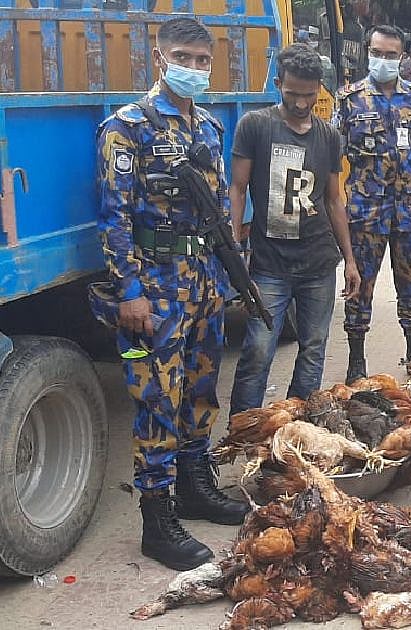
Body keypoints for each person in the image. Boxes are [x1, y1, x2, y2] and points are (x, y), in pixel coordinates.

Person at [94, 17, 249, 570]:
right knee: (157, 397)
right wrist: (129, 292)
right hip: (154, 285)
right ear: (160, 60)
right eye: (183, 57)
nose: (194, 68)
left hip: (203, 278)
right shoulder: (126, 127)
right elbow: (112, 219)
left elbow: (216, 206)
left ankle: (194, 487)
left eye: (203, 60)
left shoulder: (208, 126)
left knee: (201, 387)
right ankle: (156, 521)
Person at [228, 45, 360, 417]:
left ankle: (294, 423)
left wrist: (349, 260)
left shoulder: (328, 136)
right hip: (269, 264)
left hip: (318, 262)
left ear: (319, 87)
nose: (302, 102)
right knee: (257, 350)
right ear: (277, 85)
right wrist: (234, 247)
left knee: (314, 348)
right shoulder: (255, 126)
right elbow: (237, 189)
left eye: (309, 94)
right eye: (293, 93)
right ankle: (245, 430)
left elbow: (335, 200)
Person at [339, 24, 411, 382]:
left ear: (401, 57)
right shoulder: (348, 100)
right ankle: (357, 362)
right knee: (360, 286)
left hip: (409, 211)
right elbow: (331, 162)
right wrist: (335, 206)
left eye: (391, 55)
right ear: (367, 52)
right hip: (364, 212)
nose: (383, 61)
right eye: (377, 54)